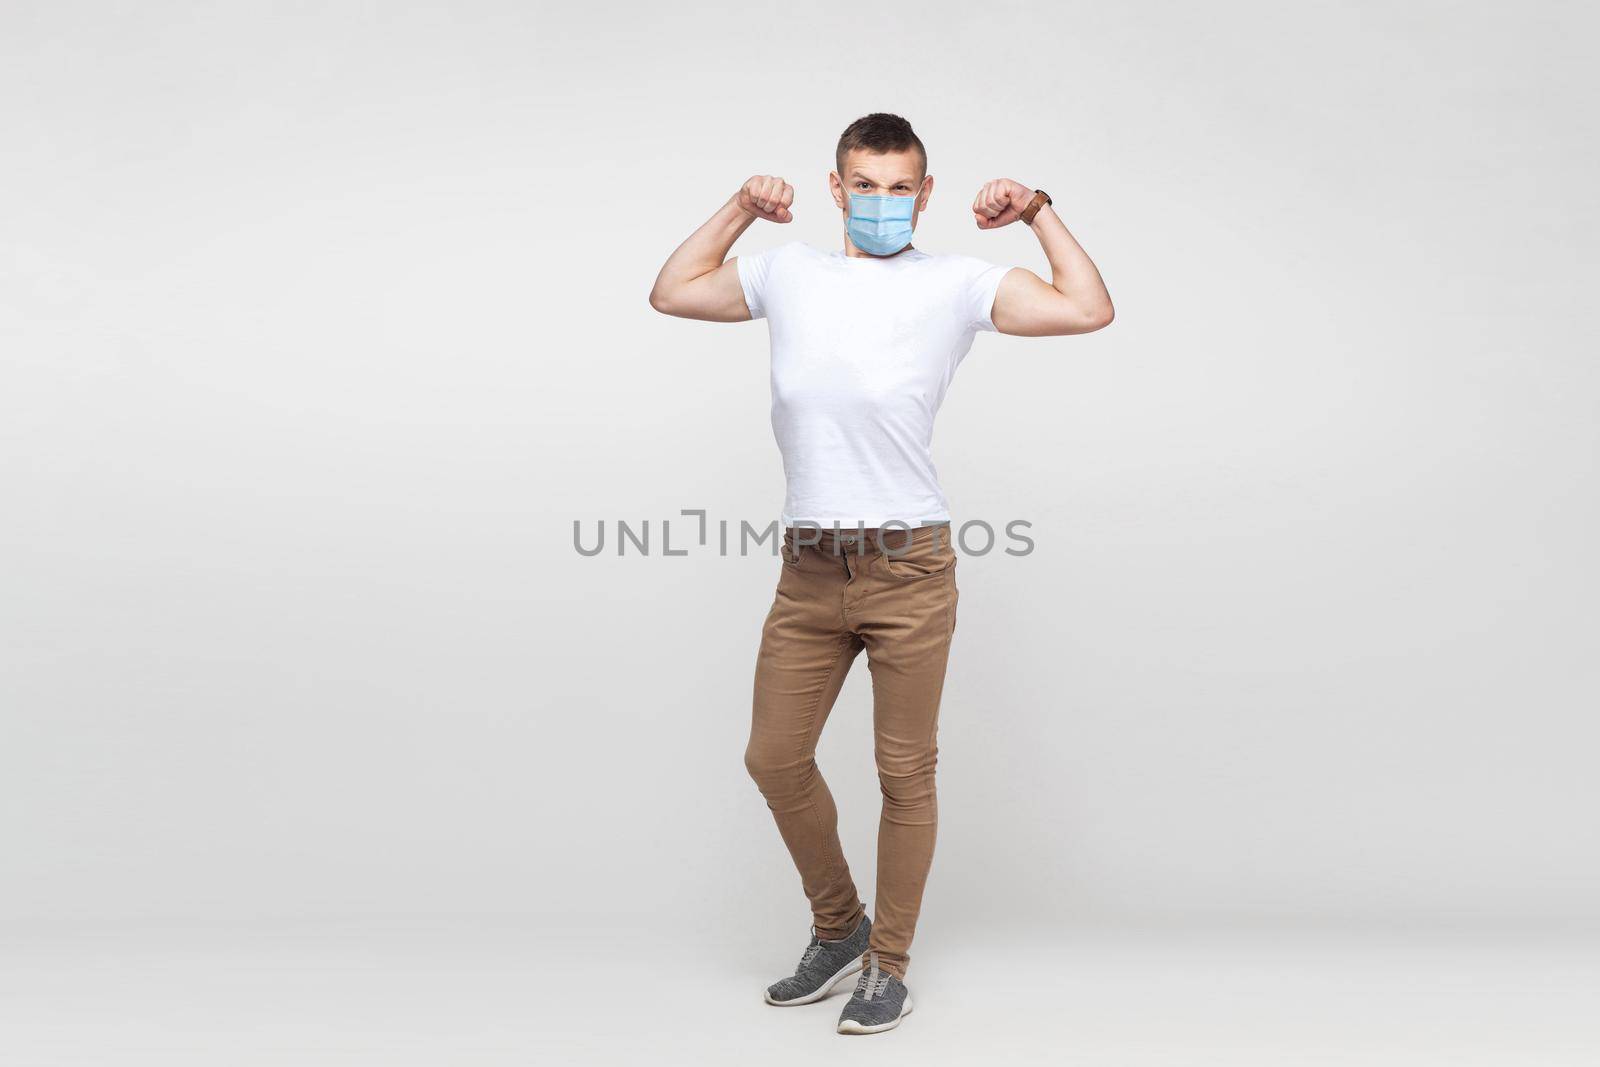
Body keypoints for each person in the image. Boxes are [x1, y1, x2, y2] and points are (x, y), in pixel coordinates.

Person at [648, 113, 1113, 1035]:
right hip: (811, 565)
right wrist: (743, 207)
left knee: (906, 772)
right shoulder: (791, 274)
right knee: (773, 757)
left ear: (925, 196)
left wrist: (1038, 210)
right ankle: (839, 925)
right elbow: (672, 291)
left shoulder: (957, 283)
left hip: (909, 565)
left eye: (901, 189)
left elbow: (1087, 307)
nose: (883, 203)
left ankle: (887, 965)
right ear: (837, 188)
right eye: (866, 185)